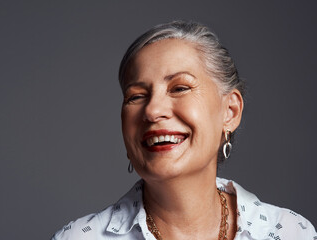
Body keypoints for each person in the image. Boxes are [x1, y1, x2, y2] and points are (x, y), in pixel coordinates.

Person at [51, 21, 316, 240]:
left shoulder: (293, 232)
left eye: (179, 88)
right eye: (136, 96)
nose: (152, 111)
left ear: (230, 111)